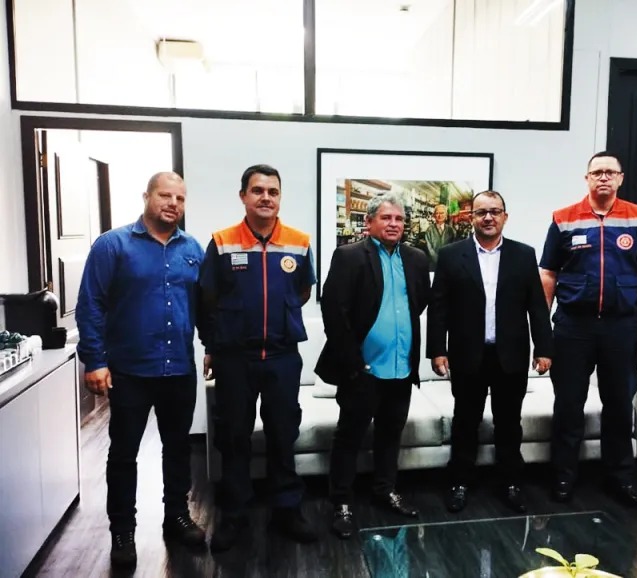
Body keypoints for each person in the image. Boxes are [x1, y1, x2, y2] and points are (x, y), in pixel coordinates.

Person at [75, 172, 206, 569]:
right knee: (124, 453)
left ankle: (176, 516)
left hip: (178, 368)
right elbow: (91, 304)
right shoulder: (112, 245)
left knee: (178, 449)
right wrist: (95, 360)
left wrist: (213, 346)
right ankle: (122, 529)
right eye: (165, 195)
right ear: (147, 196)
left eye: (180, 198)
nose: (173, 204)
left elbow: (204, 305)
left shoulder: (192, 249)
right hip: (130, 370)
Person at [198, 164, 318, 551]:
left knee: (283, 434)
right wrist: (213, 345)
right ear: (243, 196)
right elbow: (207, 299)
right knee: (234, 437)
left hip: (282, 356)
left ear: (279, 197)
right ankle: (235, 514)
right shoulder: (222, 241)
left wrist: (278, 316)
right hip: (235, 358)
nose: (266, 197)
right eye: (258, 190)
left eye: (273, 191)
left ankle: (286, 509)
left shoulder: (299, 242)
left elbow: (302, 291)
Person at [539, 151, 637, 507]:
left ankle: (620, 477)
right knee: (568, 404)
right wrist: (542, 331)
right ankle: (563, 475)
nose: (603, 177)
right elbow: (548, 274)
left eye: (610, 172)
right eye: (597, 173)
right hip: (572, 326)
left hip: (620, 326)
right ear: (587, 179)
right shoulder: (564, 219)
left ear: (620, 178)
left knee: (620, 404)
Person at [427, 191, 553, 514]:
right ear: (471, 218)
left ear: (505, 217)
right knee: (465, 421)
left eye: (494, 212)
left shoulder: (523, 255)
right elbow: (439, 308)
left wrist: (544, 348)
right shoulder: (451, 255)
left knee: (509, 423)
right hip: (467, 354)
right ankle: (459, 482)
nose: (488, 218)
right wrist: (437, 350)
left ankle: (510, 483)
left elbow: (537, 307)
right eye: (481, 212)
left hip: (510, 355)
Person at [315, 193, 430, 539]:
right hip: (363, 370)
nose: (394, 224)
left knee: (390, 435)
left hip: (401, 368)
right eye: (386, 218)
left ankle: (385, 490)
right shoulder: (350, 256)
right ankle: (342, 503)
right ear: (369, 222)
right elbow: (334, 312)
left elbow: (419, 302)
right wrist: (354, 362)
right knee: (349, 438)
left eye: (399, 218)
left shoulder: (416, 258)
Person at [424, 204, 457, 270]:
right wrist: (438, 260)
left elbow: (454, 247)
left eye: (442, 213)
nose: (439, 215)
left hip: (447, 264)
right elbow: (429, 248)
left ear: (446, 215)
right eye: (437, 213)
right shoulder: (429, 230)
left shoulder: (451, 230)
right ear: (434, 215)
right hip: (433, 266)